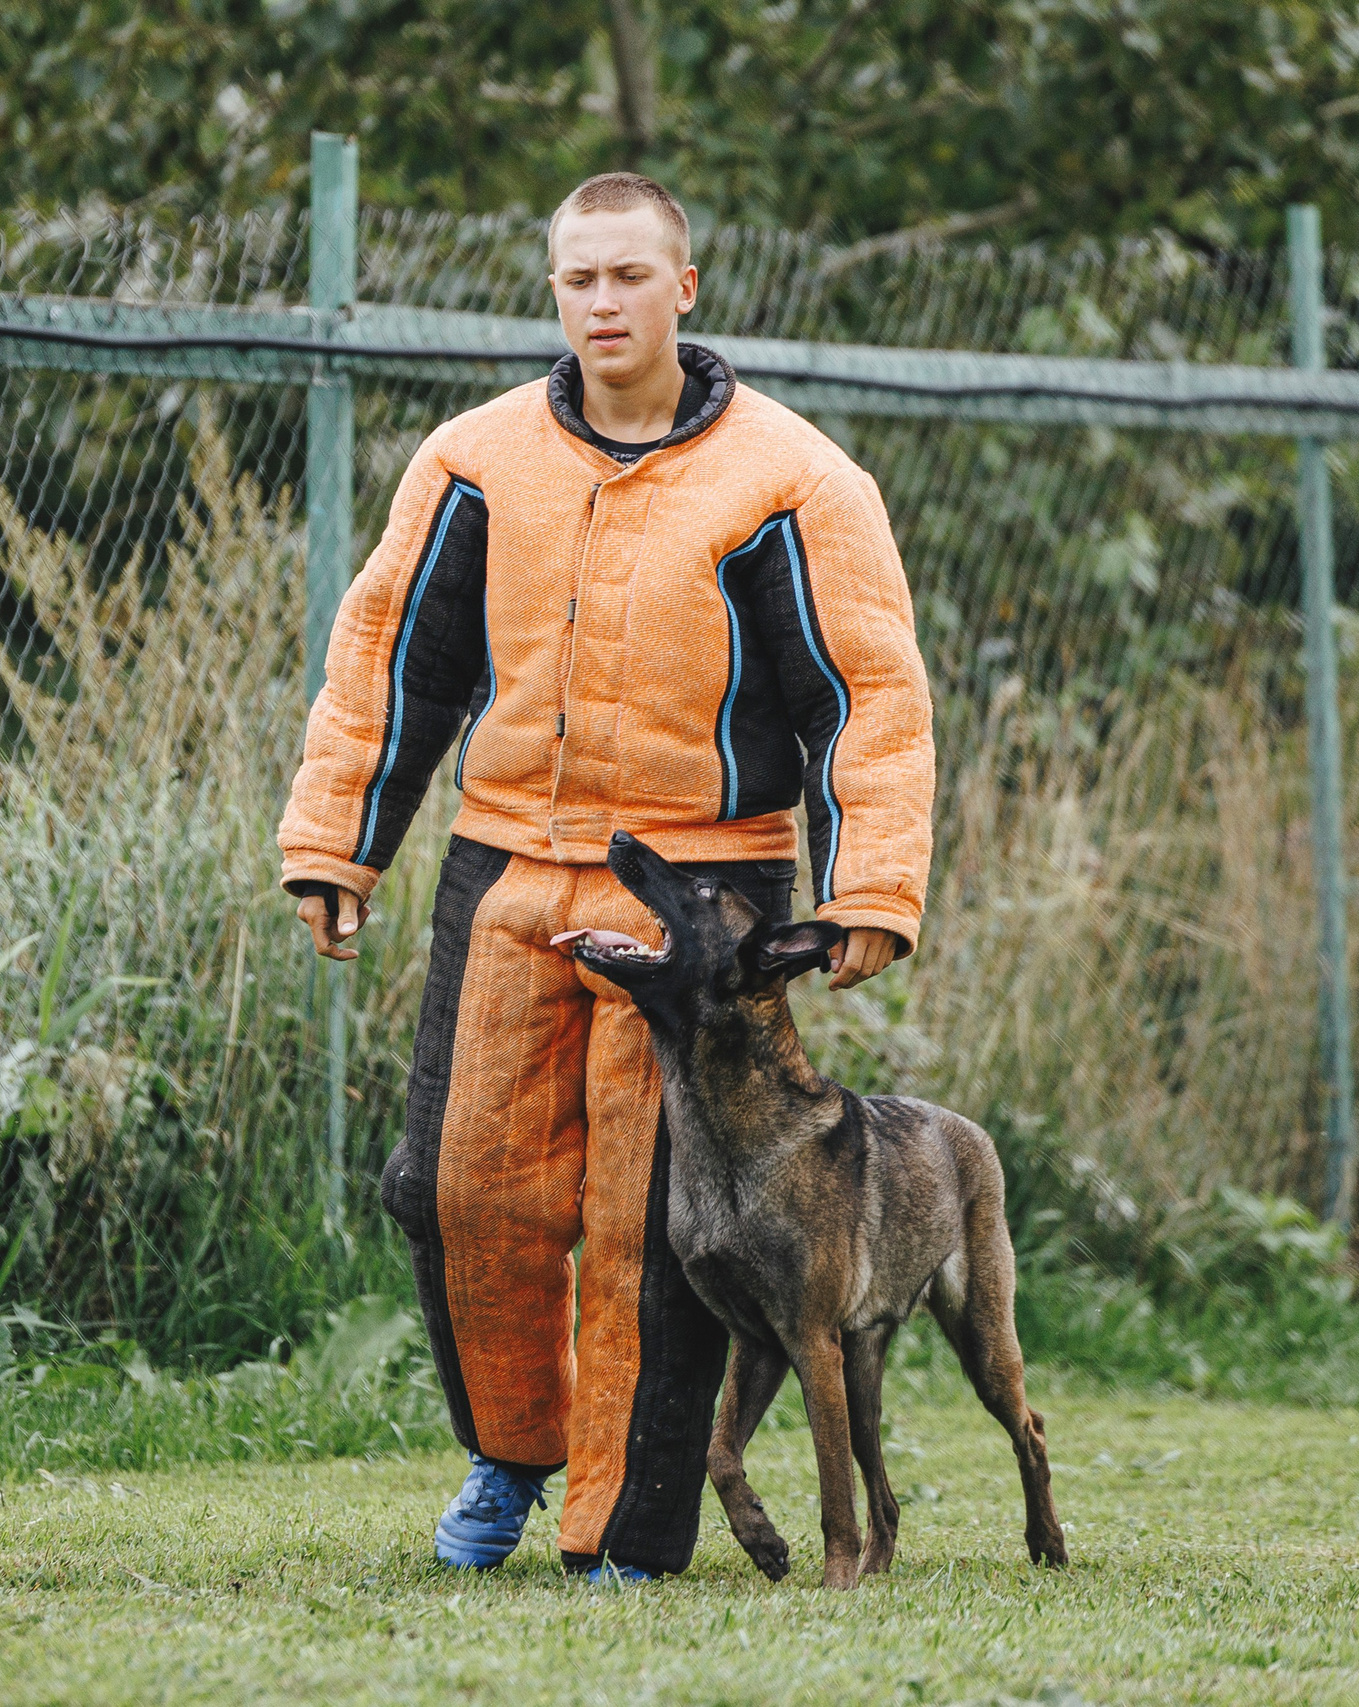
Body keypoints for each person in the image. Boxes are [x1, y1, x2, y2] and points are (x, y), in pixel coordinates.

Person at [276, 171, 933, 1581]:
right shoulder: (473, 462)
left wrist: (871, 885)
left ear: (682, 288)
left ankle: (628, 1529)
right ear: (554, 292)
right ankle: (510, 1454)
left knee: (654, 1225)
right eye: (580, 278)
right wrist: (339, 843)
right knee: (458, 1188)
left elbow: (865, 691)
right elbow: (390, 666)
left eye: (631, 275)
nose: (604, 302)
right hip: (507, 869)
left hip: (704, 898)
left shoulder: (795, 480)